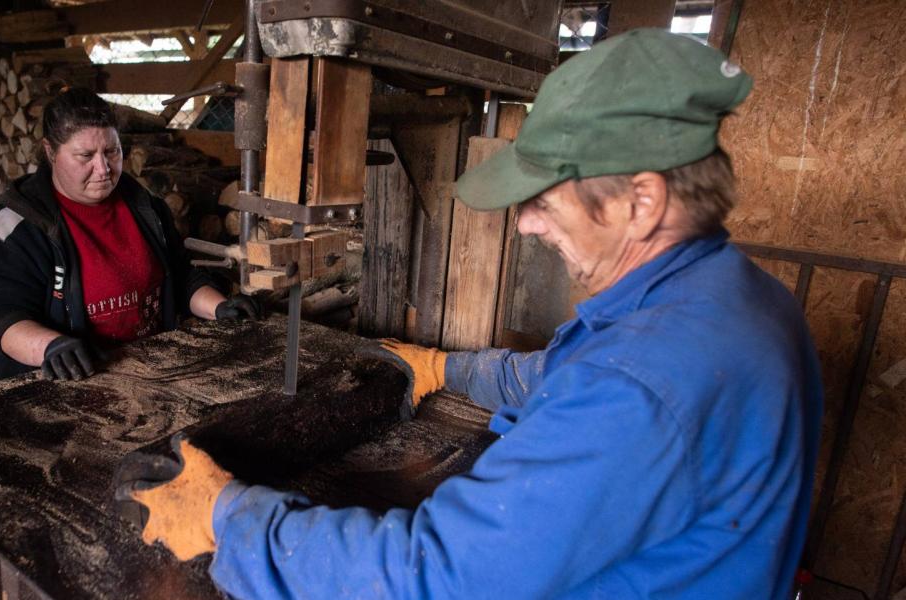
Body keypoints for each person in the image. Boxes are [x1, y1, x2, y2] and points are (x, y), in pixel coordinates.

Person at [116, 29, 823, 598]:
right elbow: (564, 374)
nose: (526, 226)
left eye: (545, 200)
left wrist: (233, 521)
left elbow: (434, 578)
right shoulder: (735, 297)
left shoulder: (641, 381)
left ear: (642, 202)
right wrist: (449, 367)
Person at [0, 87, 258, 381]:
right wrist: (49, 346)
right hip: (63, 383)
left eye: (112, 151)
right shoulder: (18, 226)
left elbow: (180, 276)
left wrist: (219, 307)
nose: (103, 169)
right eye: (85, 156)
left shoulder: (146, 207)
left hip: (149, 371)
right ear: (50, 151)